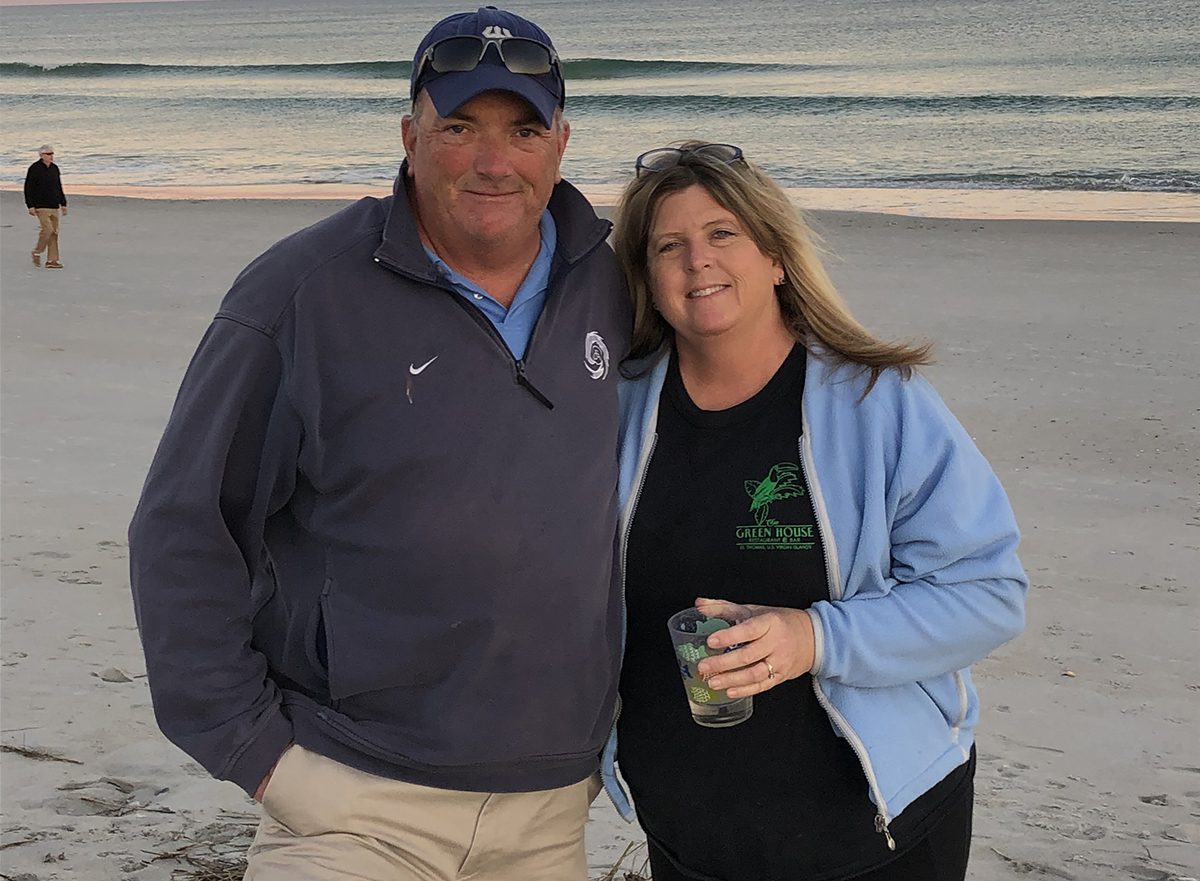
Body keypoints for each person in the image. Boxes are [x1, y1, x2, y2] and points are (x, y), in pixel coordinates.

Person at [128, 7, 630, 879]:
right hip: (352, 802)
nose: (491, 159)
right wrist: (257, 755)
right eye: (459, 126)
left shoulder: (616, 287)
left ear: (562, 142)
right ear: (408, 134)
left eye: (523, 129)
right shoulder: (301, 293)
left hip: (552, 808)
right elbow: (184, 527)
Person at [599, 142, 1028, 881]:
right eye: (669, 245)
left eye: (723, 233)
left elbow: (988, 593)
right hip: (687, 836)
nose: (697, 259)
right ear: (648, 278)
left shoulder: (877, 403)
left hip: (869, 835)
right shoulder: (615, 407)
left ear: (775, 257)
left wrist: (812, 637)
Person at [25, 144, 68, 269]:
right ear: (41, 155)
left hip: (54, 205)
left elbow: (58, 186)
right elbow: (28, 188)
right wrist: (30, 205)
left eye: (52, 153)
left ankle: (52, 260)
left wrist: (63, 203)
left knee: (54, 233)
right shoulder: (34, 168)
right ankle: (37, 251)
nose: (51, 156)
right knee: (47, 229)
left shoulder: (54, 168)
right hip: (41, 205)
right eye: (48, 154)